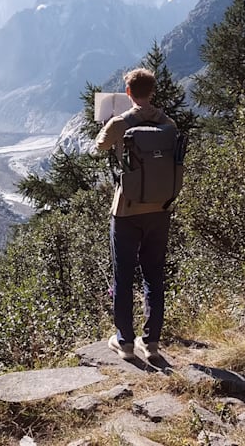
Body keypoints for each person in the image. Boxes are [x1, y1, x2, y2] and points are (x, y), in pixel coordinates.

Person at [94, 67, 175, 361]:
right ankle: (151, 342)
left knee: (123, 275)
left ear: (128, 93)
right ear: (152, 91)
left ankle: (125, 342)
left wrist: (107, 125)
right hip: (160, 209)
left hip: (126, 209)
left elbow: (99, 146)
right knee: (154, 274)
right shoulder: (168, 123)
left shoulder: (120, 122)